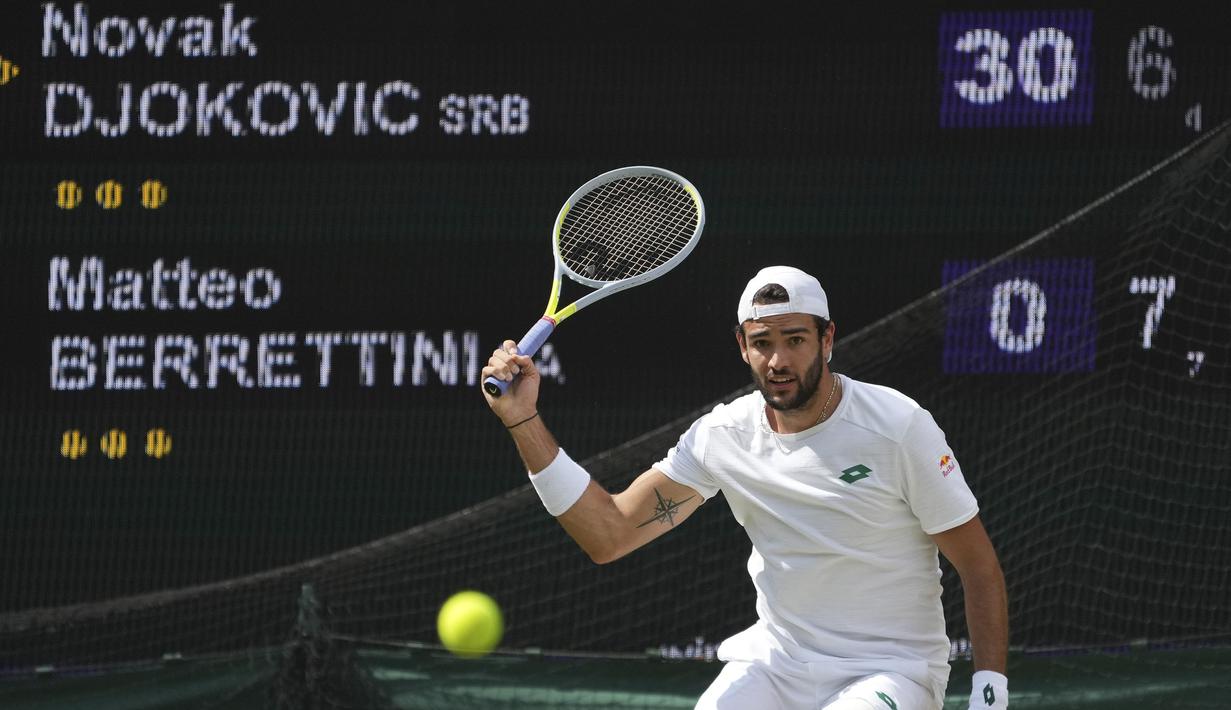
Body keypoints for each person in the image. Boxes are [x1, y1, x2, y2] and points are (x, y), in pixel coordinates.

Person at [482, 265, 1009, 709]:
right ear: (742, 347)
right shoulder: (722, 437)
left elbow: (978, 566)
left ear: (827, 339)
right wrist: (522, 420)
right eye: (763, 343)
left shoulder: (898, 427)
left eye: (796, 340)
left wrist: (990, 690)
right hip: (776, 667)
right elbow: (609, 534)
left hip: (892, 670)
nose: (778, 360)